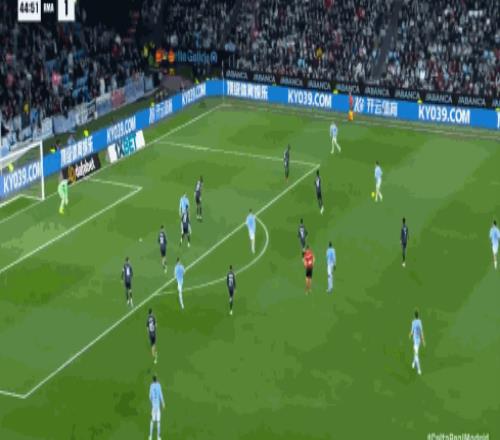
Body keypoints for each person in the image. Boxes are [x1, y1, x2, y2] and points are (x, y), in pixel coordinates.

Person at [148, 375, 165, 440]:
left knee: (152, 421)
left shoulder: (151, 386)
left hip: (153, 407)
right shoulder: (159, 385)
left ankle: (150, 436)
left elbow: (150, 396)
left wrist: (152, 401)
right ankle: (158, 437)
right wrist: (163, 403)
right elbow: (161, 395)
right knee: (158, 422)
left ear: (152, 380)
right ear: (156, 379)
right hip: (158, 407)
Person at [409, 310, 425, 375]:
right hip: (418, 341)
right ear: (418, 315)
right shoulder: (420, 322)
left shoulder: (413, 322)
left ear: (414, 315)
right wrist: (423, 341)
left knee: (416, 355)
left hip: (416, 341)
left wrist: (410, 335)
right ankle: (413, 362)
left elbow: (412, 331)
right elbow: (421, 332)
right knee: (415, 353)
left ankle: (419, 369)